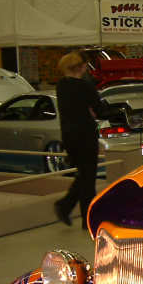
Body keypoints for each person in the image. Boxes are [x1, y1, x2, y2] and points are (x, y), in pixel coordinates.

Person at [53, 51, 103, 229]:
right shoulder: (85, 86)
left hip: (69, 136)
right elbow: (100, 109)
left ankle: (66, 206)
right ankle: (86, 219)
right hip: (86, 135)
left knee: (83, 175)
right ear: (81, 67)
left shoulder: (61, 86)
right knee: (88, 178)